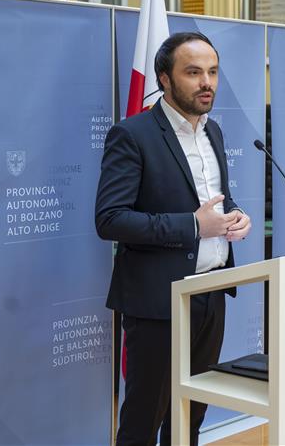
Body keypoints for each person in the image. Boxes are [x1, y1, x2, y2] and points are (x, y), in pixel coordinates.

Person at [95, 32, 251, 446]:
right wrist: (194, 226)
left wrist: (236, 217)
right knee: (144, 420)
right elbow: (110, 219)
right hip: (158, 300)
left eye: (213, 72)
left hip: (211, 292)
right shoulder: (132, 134)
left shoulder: (213, 132)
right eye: (193, 72)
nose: (207, 82)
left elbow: (216, 202)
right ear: (164, 78)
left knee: (191, 416)